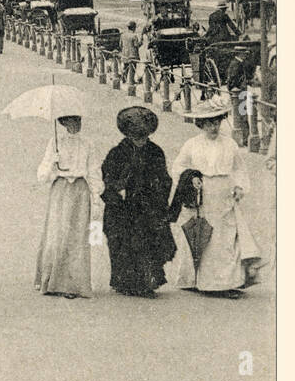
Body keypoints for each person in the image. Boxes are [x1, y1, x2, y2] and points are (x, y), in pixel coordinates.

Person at [167, 95, 264, 296]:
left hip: (224, 194)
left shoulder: (229, 144)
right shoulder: (192, 144)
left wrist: (239, 186)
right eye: (209, 123)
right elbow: (179, 166)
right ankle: (197, 280)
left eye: (217, 122)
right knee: (202, 237)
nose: (214, 127)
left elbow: (239, 169)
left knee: (225, 239)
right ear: (201, 124)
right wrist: (192, 177)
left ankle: (224, 283)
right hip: (202, 195)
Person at [100, 106, 175, 298]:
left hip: (148, 207)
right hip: (122, 209)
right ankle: (123, 282)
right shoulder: (117, 153)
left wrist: (156, 191)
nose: (141, 141)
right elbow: (106, 178)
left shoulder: (155, 152)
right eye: (136, 136)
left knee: (147, 244)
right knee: (122, 244)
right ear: (128, 134)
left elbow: (164, 178)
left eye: (144, 136)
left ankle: (147, 282)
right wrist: (118, 188)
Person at [35, 115, 103, 298]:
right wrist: (52, 162)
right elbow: (42, 175)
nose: (76, 125)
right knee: (57, 234)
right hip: (60, 190)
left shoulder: (88, 143)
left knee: (77, 236)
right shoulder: (55, 142)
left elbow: (94, 170)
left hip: (80, 191)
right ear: (63, 123)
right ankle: (51, 281)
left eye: (78, 120)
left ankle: (73, 285)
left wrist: (96, 196)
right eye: (72, 121)